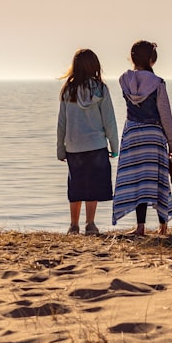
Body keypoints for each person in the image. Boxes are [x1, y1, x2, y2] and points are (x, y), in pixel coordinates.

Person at [112, 40, 172, 236]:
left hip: (132, 134)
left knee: (137, 180)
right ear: (151, 59)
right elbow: (165, 115)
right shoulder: (157, 83)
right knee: (158, 180)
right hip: (154, 135)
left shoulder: (123, 80)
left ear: (132, 58)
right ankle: (163, 226)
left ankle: (140, 227)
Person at [57, 48, 119, 235]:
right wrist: (114, 147)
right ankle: (90, 224)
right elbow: (109, 121)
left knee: (76, 185)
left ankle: (73, 225)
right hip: (96, 146)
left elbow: (62, 122)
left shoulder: (68, 91)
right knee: (93, 185)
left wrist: (60, 149)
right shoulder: (101, 90)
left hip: (74, 146)